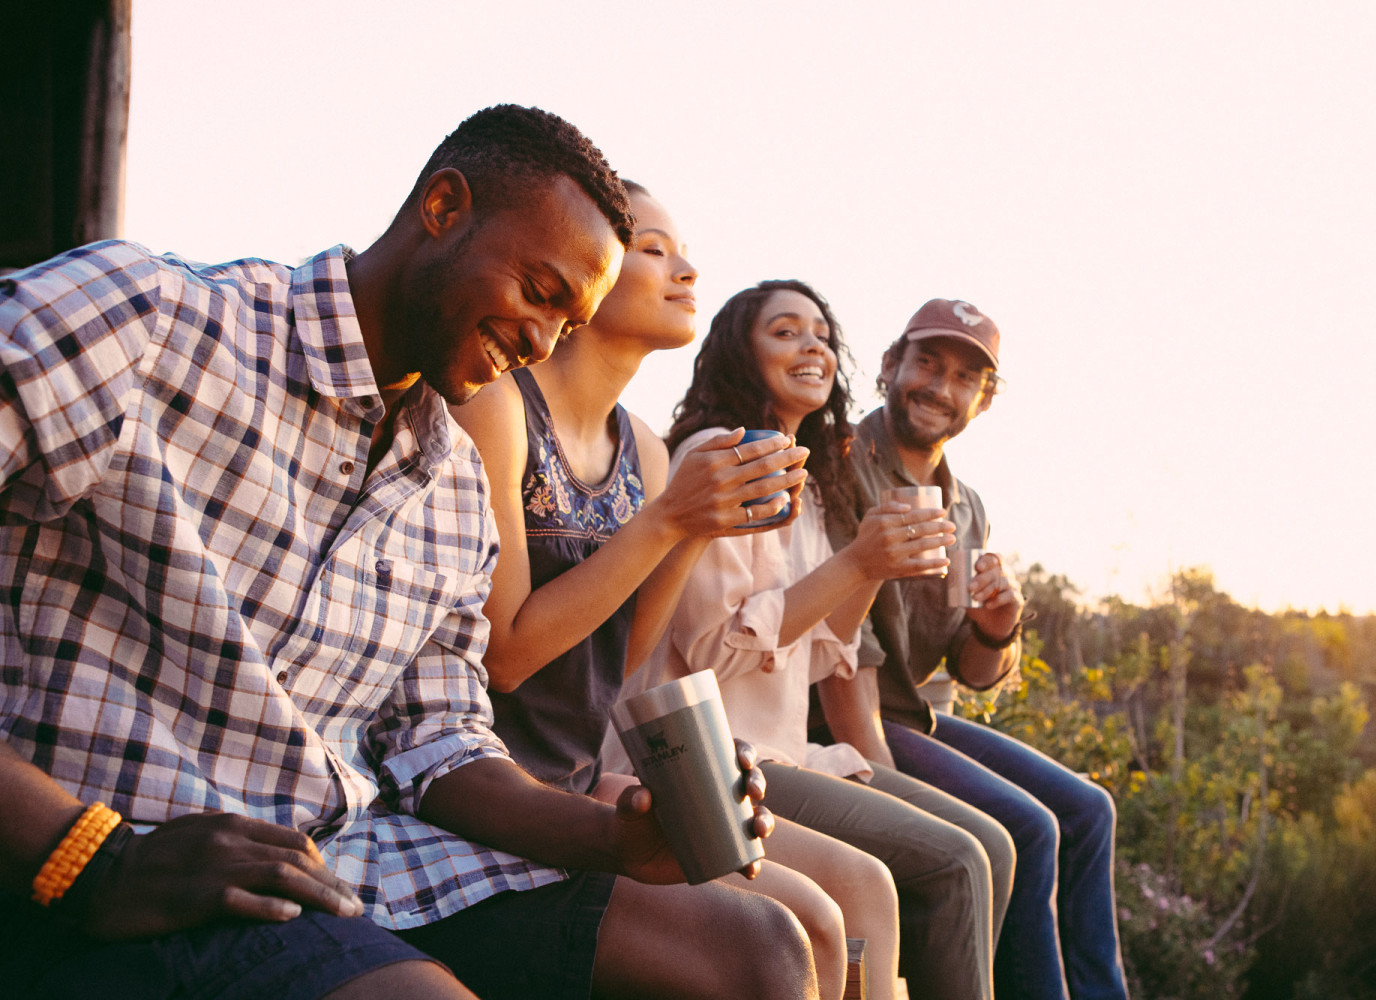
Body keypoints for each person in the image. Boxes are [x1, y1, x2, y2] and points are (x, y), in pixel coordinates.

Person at [0, 104, 816, 1000]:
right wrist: (94, 857)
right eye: (540, 292)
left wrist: (616, 836)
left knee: (755, 949)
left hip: (338, 857)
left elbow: (440, 744)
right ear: (442, 207)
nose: (543, 342)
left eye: (569, 325)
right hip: (91, 840)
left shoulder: (455, 484)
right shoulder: (153, 318)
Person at [452, 181, 897, 1000]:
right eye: (654, 250)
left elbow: (624, 656)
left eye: (681, 250)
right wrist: (667, 521)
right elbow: (506, 656)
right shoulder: (501, 407)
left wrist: (693, 525)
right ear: (588, 267)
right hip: (492, 785)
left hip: (582, 773)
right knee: (776, 942)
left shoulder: (648, 451)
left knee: (835, 917)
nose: (687, 270)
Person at [613, 279, 1018, 1000]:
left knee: (994, 843)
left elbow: (829, 645)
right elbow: (713, 647)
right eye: (785, 332)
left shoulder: (814, 482)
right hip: (713, 751)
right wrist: (859, 562)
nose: (812, 347)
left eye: (822, 336)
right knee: (955, 858)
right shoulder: (719, 456)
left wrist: (868, 566)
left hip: (788, 748)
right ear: (743, 352)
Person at [817, 298, 1129, 1000]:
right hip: (836, 711)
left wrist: (998, 626)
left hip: (915, 711)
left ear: (983, 402)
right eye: (927, 362)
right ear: (892, 365)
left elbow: (972, 670)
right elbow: (843, 658)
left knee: (1089, 810)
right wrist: (880, 779)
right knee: (1029, 827)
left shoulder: (966, 506)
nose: (940, 387)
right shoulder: (842, 466)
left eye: (965, 377)